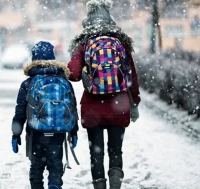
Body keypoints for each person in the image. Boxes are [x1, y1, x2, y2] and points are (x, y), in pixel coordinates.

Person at [67, 0, 141, 189]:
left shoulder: (84, 43)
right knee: (116, 150)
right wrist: (134, 103)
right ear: (110, 18)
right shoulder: (120, 42)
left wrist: (83, 72)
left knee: (96, 153)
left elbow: (73, 74)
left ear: (87, 20)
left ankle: (99, 186)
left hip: (93, 108)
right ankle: (116, 185)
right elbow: (131, 75)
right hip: (119, 105)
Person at [11, 41, 79, 189]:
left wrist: (15, 135)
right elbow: (72, 108)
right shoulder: (63, 80)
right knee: (55, 165)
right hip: (57, 132)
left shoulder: (28, 83)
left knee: (36, 167)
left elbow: (20, 111)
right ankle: (54, 185)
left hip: (36, 132)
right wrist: (74, 131)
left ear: (34, 59)